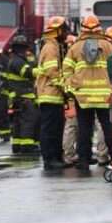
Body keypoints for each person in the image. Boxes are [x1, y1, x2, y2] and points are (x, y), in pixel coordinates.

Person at [63, 15, 112, 170]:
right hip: (104, 96)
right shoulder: (108, 46)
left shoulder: (74, 47)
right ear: (99, 27)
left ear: (83, 28)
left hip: (82, 96)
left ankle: (83, 160)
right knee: (108, 127)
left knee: (84, 128)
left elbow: (66, 70)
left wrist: (71, 88)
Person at [36, 16, 71, 170]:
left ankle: (57, 157)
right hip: (49, 95)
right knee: (49, 129)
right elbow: (52, 71)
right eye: (64, 30)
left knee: (57, 129)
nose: (66, 33)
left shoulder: (55, 45)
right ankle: (49, 159)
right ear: (57, 31)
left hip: (55, 95)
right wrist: (65, 85)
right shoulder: (50, 48)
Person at [6, 35, 40, 154]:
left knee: (18, 123)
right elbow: (28, 73)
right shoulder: (18, 61)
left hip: (18, 98)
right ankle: (26, 147)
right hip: (23, 98)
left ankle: (17, 146)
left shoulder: (15, 60)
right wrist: (43, 70)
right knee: (28, 122)